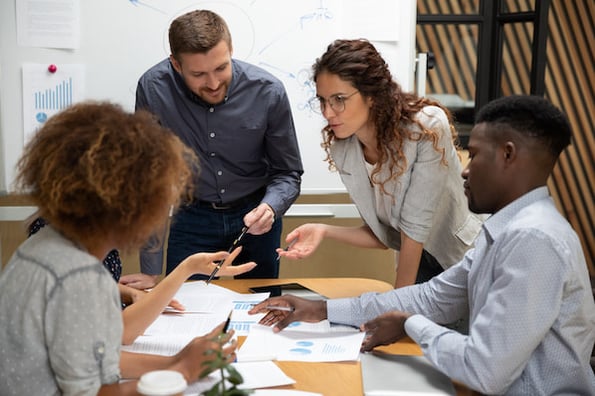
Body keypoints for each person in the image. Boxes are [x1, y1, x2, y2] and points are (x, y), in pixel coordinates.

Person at [250, 95, 595, 395]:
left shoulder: (534, 240)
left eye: (474, 156)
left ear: (508, 155)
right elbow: (431, 297)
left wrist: (408, 323)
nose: (465, 171)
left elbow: (485, 368)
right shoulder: (506, 232)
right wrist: (322, 310)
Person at [0, 101, 240, 395]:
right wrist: (182, 372)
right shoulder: (81, 277)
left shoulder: (41, 244)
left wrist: (176, 360)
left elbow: (86, 357)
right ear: (135, 203)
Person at [120, 9, 303, 290]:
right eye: (199, 74)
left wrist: (270, 207)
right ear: (176, 65)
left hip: (255, 218)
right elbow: (151, 181)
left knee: (260, 309)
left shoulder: (268, 91)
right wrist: (150, 271)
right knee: (184, 312)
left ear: (230, 50)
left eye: (221, 68)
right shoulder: (154, 88)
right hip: (192, 215)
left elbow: (287, 172)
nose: (214, 83)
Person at [277, 39, 483, 288]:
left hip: (460, 258)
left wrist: (397, 308)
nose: (328, 113)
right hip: (415, 259)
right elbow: (384, 236)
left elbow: (415, 229)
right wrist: (323, 229)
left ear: (371, 95)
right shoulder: (344, 148)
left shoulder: (426, 127)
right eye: (322, 100)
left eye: (339, 99)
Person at [27, 216, 257, 345]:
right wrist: (187, 268)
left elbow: (91, 280)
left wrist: (133, 294)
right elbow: (120, 333)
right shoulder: (60, 236)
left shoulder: (86, 226)